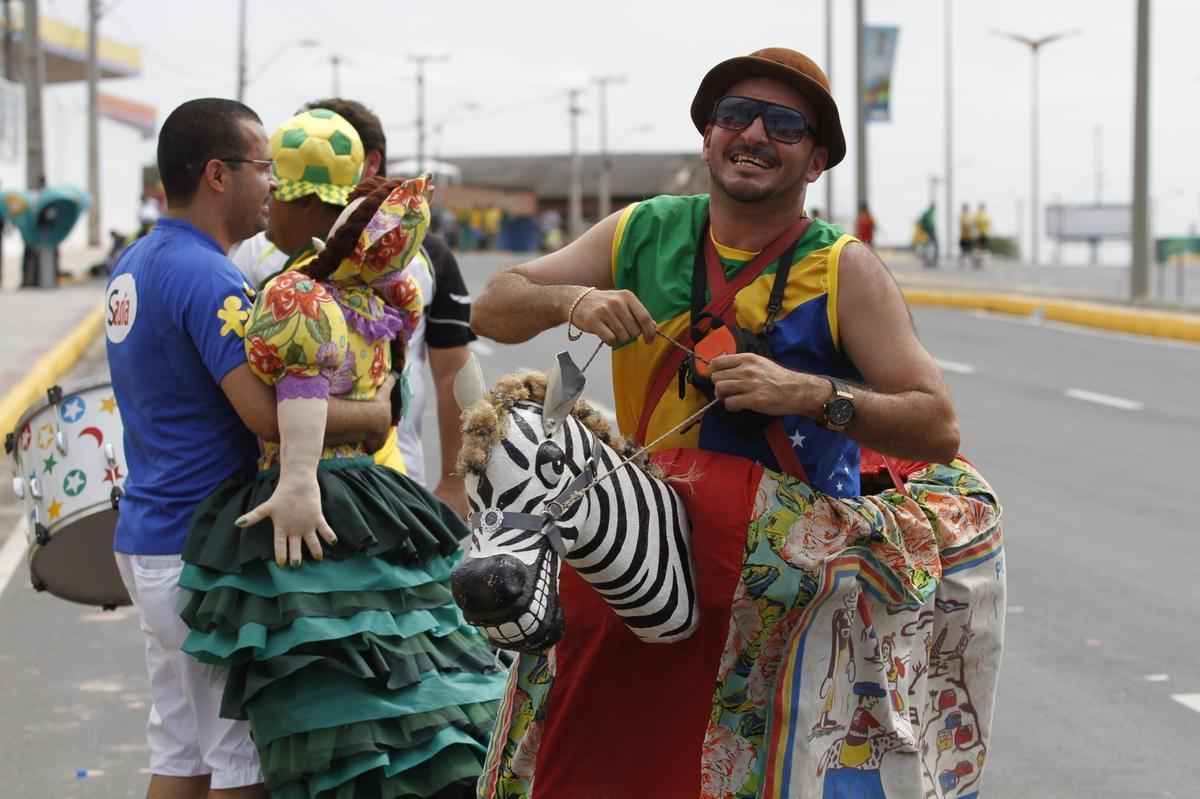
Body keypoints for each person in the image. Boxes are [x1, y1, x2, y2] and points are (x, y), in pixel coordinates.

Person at [468, 48, 985, 797]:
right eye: (734, 116)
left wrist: (806, 394)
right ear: (708, 137)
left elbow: (937, 425)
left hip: (778, 608)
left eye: (784, 124)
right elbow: (494, 303)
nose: (754, 135)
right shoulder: (641, 231)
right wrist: (571, 301)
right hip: (637, 573)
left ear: (815, 160)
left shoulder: (843, 269)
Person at [177, 109, 504, 798]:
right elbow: (389, 400)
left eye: (276, 189)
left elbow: (300, 398)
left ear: (302, 199)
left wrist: (296, 479)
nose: (266, 204)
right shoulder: (383, 287)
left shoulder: (295, 290)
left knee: (325, 692)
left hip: (317, 496)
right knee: (402, 672)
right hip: (385, 496)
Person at [105, 98, 394, 799]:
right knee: (242, 758)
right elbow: (268, 417)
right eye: (263, 167)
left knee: (181, 750)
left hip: (149, 536)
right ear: (216, 174)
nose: (273, 184)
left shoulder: (135, 261)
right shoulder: (209, 278)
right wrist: (373, 413)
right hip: (202, 556)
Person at [231, 96, 474, 514]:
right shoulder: (255, 252)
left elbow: (454, 369)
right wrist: (373, 415)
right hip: (276, 482)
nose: (270, 202)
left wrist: (455, 483)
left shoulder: (416, 260)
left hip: (391, 481)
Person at [918, 202, 938, 267]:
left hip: (927, 233)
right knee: (934, 247)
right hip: (930, 232)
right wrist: (930, 231)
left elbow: (920, 222)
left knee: (927, 247)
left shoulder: (927, 213)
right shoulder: (929, 213)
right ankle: (932, 262)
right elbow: (930, 224)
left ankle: (928, 261)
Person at [958, 202, 976, 267]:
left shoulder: (969, 216)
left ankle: (972, 263)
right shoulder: (962, 216)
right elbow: (964, 224)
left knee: (970, 250)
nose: (965, 209)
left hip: (969, 236)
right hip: (964, 236)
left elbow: (972, 224)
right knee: (963, 250)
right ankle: (962, 263)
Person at [975, 201, 991, 266]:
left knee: (983, 249)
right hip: (980, 233)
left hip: (983, 233)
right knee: (980, 249)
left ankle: (983, 262)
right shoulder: (979, 215)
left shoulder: (985, 215)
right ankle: (979, 262)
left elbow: (989, 224)